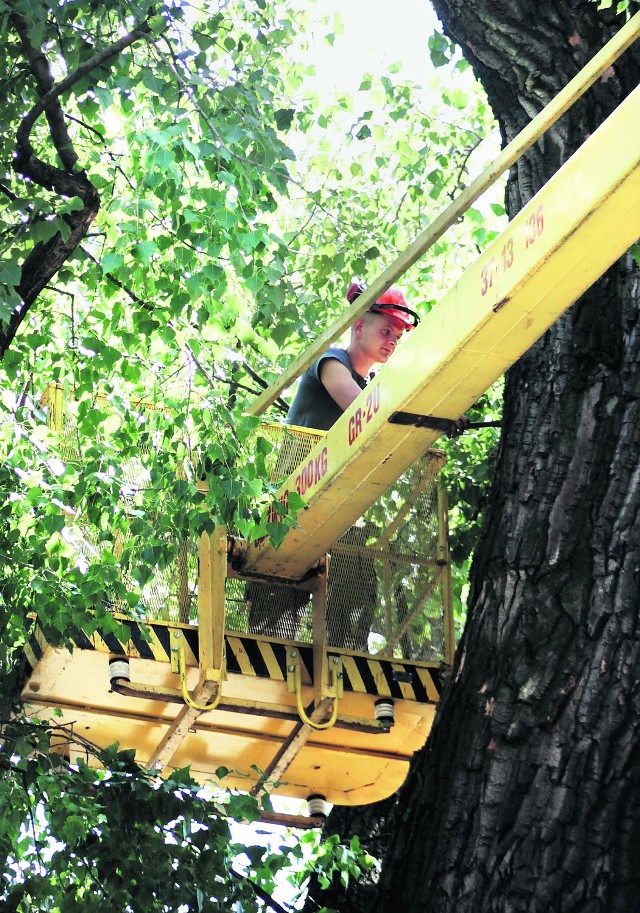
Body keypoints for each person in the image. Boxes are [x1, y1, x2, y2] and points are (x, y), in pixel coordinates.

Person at [286, 282, 419, 431]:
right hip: (304, 454)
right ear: (359, 327)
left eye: (398, 337)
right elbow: (366, 415)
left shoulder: (370, 386)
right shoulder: (331, 362)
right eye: (387, 331)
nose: (393, 342)